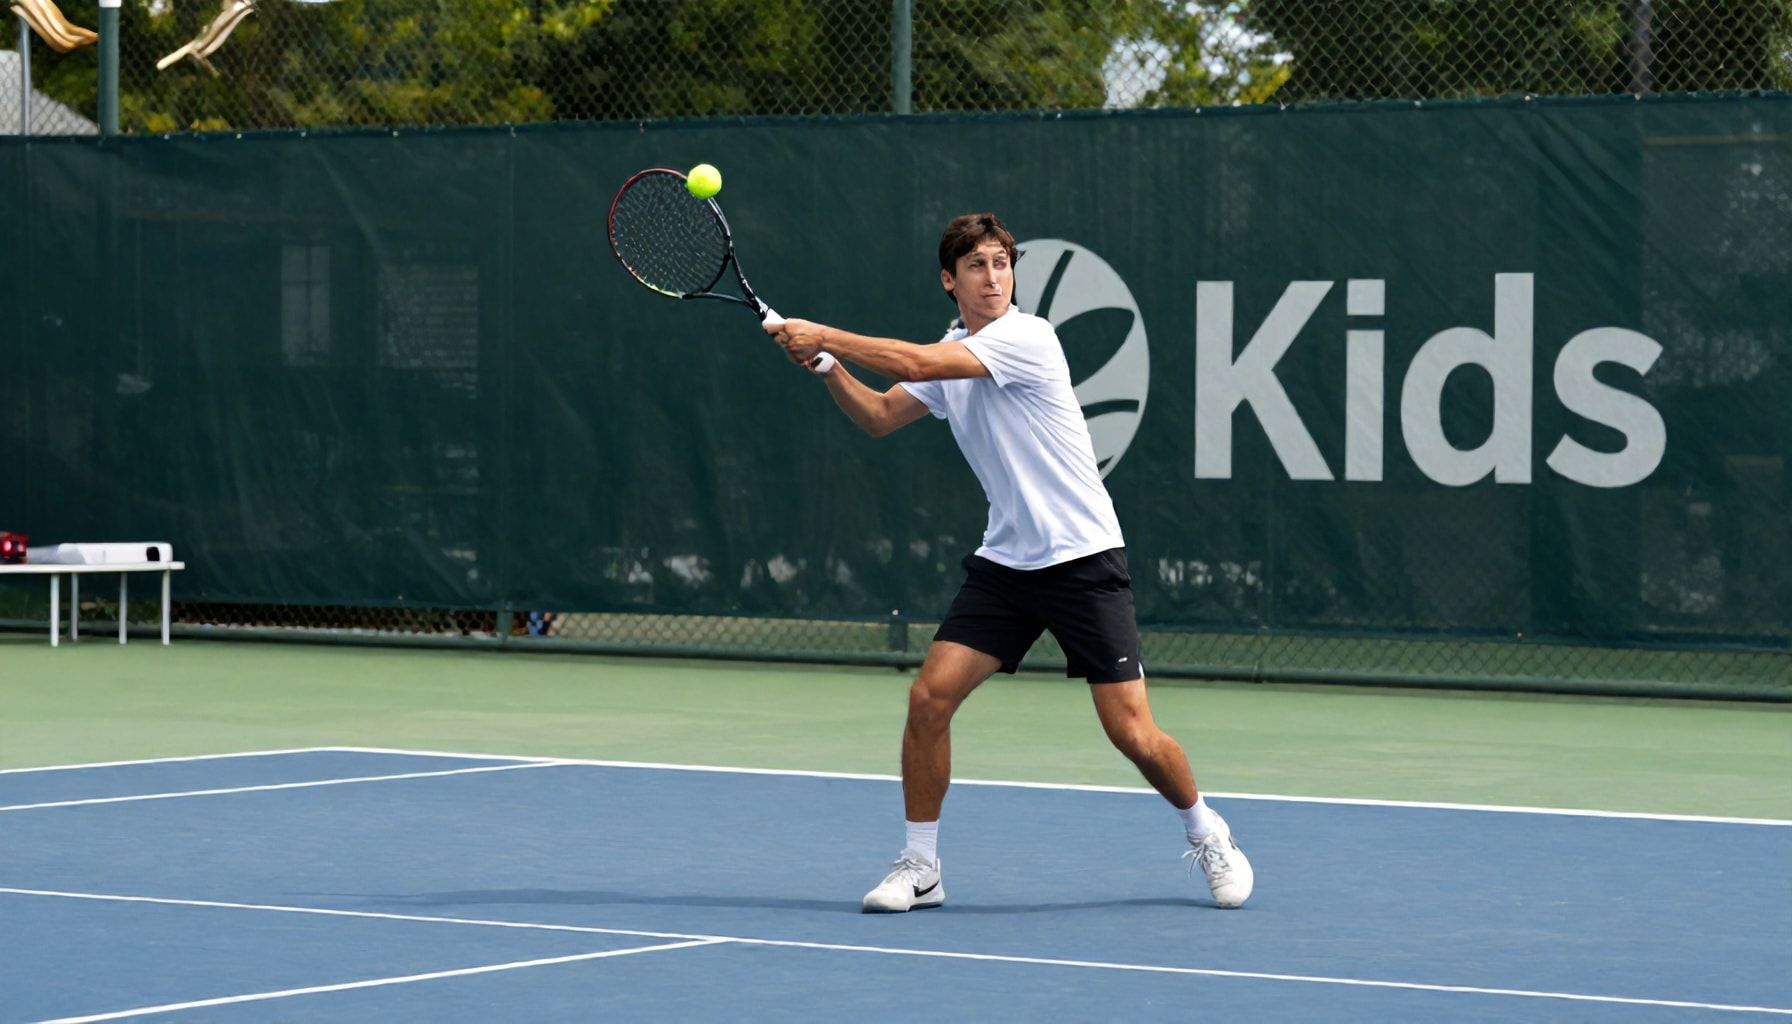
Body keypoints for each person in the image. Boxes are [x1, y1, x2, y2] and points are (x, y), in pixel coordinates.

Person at [765, 213, 1252, 912]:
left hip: (1082, 556)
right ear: (949, 280)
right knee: (929, 698)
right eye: (977, 266)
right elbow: (878, 415)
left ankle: (1208, 831)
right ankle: (921, 866)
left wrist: (826, 333)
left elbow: (916, 365)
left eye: (1001, 263)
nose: (993, 278)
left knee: (1132, 733)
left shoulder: (1029, 337)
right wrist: (826, 366)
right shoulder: (954, 347)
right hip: (1008, 562)